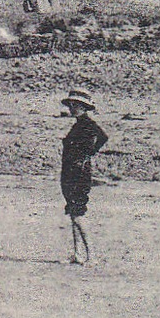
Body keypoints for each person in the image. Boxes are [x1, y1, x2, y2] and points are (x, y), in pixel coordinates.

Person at [58, 89, 107, 264]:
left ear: (82, 107)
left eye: (74, 105)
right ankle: (78, 254)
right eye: (71, 105)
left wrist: (87, 155)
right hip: (71, 172)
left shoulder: (86, 124)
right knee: (73, 213)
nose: (71, 108)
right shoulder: (80, 124)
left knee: (78, 214)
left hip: (78, 174)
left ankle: (91, 255)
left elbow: (102, 137)